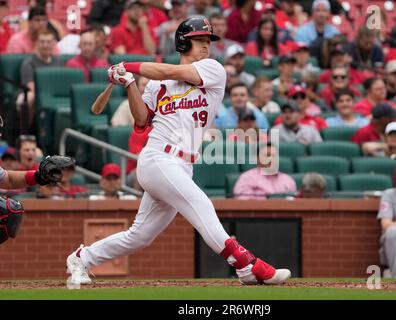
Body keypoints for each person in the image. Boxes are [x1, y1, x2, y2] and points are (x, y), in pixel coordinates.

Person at [66, 16, 291, 286]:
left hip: (183, 164)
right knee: (201, 205)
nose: (206, 45)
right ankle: (246, 265)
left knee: (140, 235)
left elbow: (171, 72)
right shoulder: (156, 85)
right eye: (200, 40)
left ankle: (82, 257)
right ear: (183, 42)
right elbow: (141, 120)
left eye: (208, 40)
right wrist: (128, 85)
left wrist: (129, 66)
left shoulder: (213, 70)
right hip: (158, 157)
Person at [18, 29, 63, 124]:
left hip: (54, 95)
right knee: (30, 97)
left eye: (48, 42)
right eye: (42, 42)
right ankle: (27, 132)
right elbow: (30, 86)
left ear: (53, 43)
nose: (45, 45)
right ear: (36, 43)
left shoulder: (59, 62)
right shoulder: (29, 62)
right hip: (32, 93)